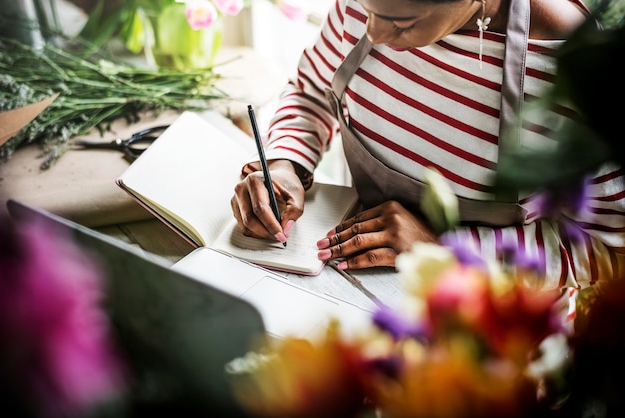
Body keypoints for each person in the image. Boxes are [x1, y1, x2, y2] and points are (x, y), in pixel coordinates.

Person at [231, 0, 625, 290]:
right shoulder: (369, 7)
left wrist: (447, 250)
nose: (374, 34)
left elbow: (608, 253)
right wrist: (287, 162)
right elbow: (312, 91)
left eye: (401, 22)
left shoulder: (578, 73)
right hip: (348, 294)